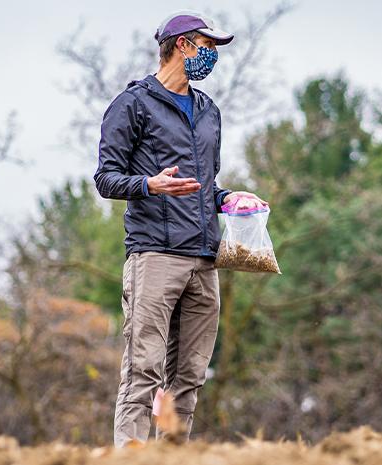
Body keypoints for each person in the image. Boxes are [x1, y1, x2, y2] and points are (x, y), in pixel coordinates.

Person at [93, 10, 267, 446]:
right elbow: (105, 178)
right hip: (154, 255)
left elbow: (206, 184)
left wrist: (229, 198)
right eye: (208, 46)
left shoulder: (210, 111)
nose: (212, 56)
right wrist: (149, 184)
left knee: (189, 376)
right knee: (143, 370)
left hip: (205, 260)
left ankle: (172, 455)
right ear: (183, 45)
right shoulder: (131, 104)